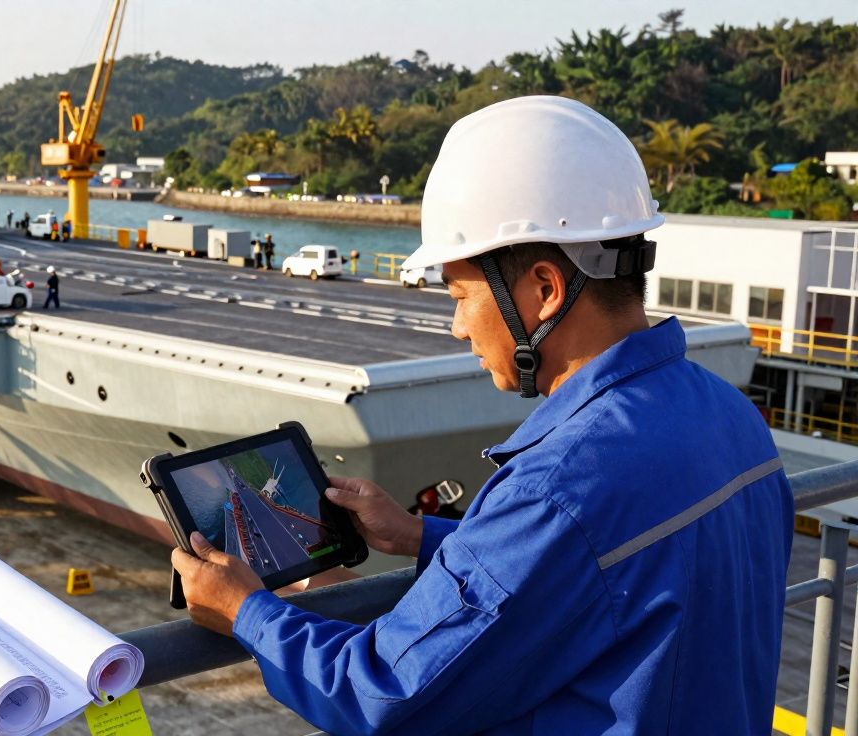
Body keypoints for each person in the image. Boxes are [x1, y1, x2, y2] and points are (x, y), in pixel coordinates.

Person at [170, 96, 792, 735]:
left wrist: (245, 611)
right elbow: (594, 569)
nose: (458, 325)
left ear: (545, 290)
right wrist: (419, 537)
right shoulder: (733, 417)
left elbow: (381, 693)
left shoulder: (555, 491)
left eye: (462, 295)